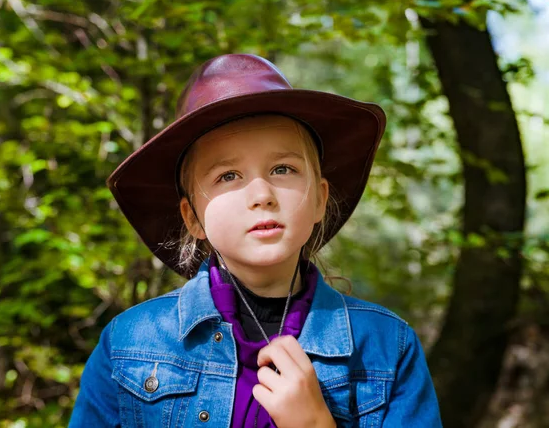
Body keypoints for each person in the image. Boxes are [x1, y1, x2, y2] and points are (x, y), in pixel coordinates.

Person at [69, 54, 443, 428]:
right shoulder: (129, 344)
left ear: (319, 199)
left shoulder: (386, 347)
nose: (262, 193)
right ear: (192, 217)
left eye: (283, 169)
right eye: (228, 175)